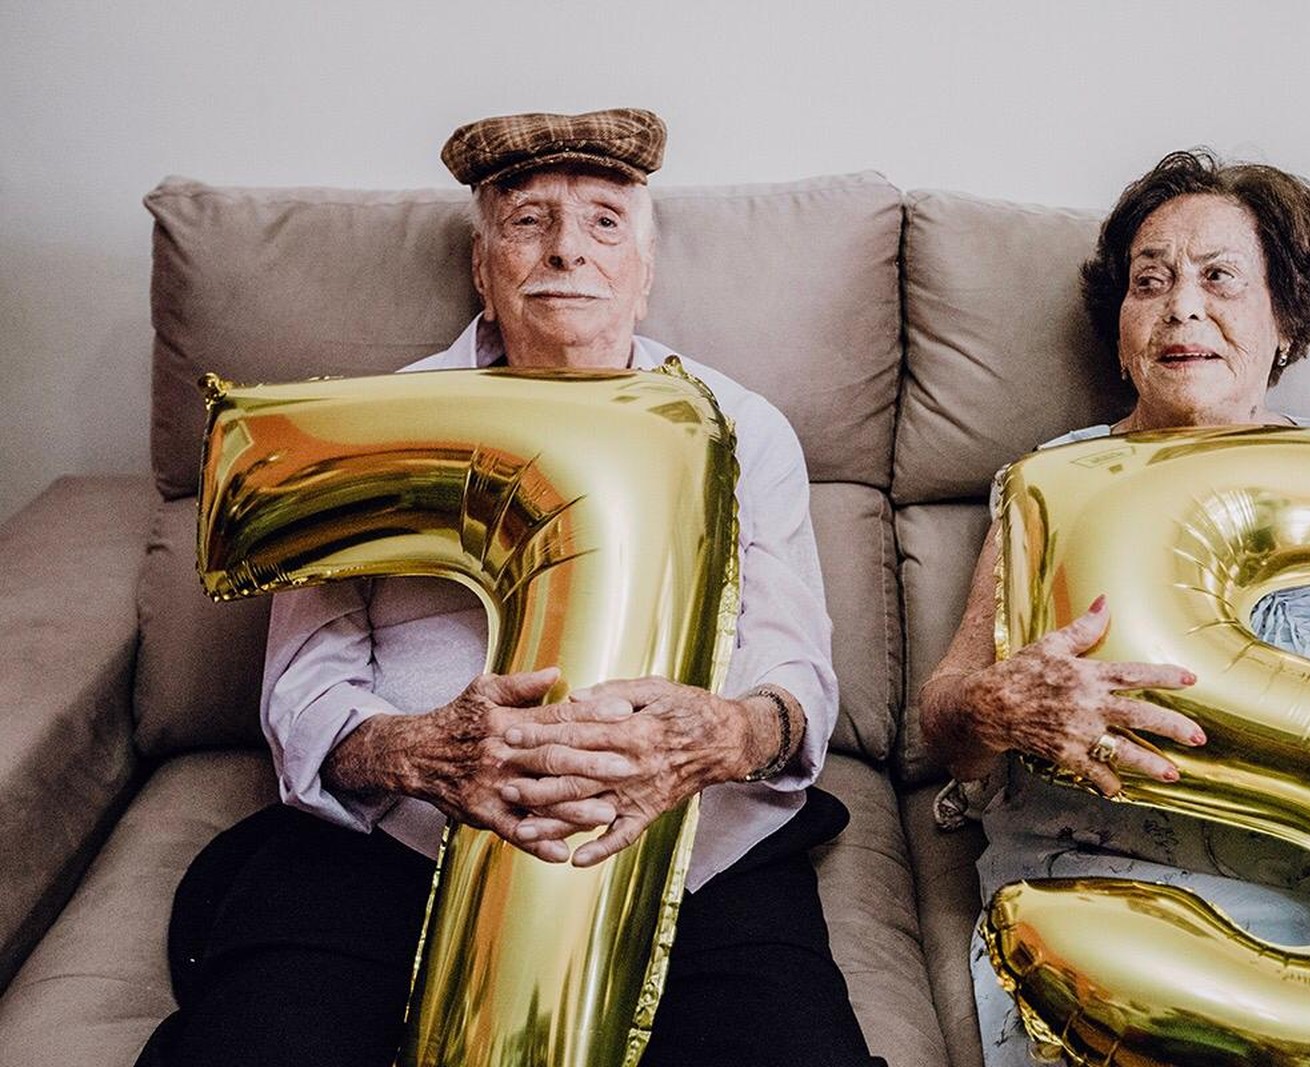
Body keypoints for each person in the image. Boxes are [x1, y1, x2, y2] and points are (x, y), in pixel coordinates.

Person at [138, 108, 883, 1067]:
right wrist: (422, 752)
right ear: (482, 269)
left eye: (605, 222)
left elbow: (798, 677)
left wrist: (724, 733)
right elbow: (304, 688)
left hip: (686, 844)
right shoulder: (374, 424)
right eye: (528, 221)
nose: (567, 250)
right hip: (398, 842)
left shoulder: (740, 428)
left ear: (644, 273)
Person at [916, 149, 1310, 1065]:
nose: (1182, 306)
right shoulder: (1053, 481)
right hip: (1120, 901)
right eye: (1151, 282)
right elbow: (946, 714)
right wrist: (1001, 706)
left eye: (1219, 277)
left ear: (1284, 319)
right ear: (1121, 324)